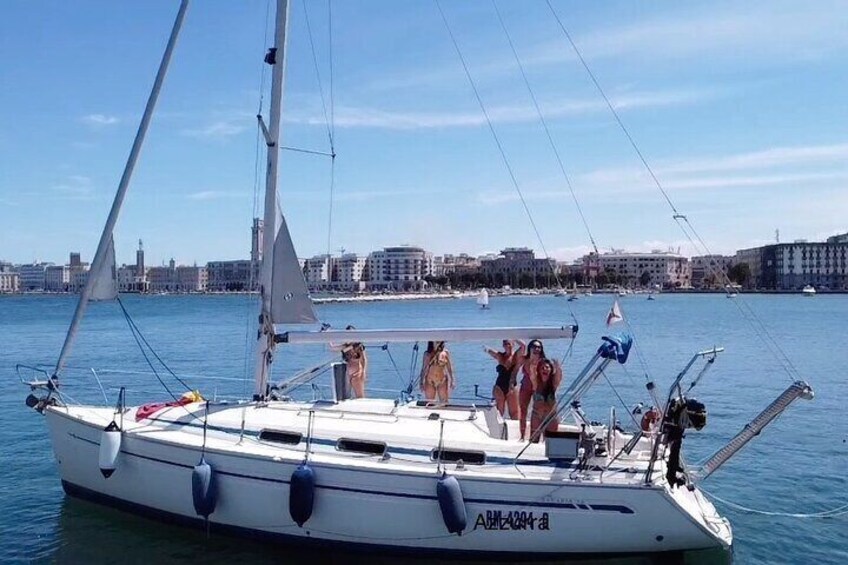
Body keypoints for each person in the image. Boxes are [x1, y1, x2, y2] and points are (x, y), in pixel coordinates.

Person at [512, 339, 546, 440]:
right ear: (530, 348)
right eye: (534, 346)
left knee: (539, 412)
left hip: (538, 388)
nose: (537, 349)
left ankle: (539, 437)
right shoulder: (525, 359)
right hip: (525, 386)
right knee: (523, 411)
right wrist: (512, 381)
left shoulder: (543, 361)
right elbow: (515, 369)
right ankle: (522, 436)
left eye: (539, 347)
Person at [529, 358, 563, 443]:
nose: (545, 369)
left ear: (551, 370)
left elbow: (559, 376)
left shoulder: (553, 384)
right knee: (533, 440)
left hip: (551, 417)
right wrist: (533, 365)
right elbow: (532, 374)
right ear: (539, 371)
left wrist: (558, 367)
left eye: (547, 367)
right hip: (537, 415)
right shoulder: (536, 383)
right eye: (542, 368)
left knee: (551, 442)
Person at [484, 340, 518, 419]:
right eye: (505, 344)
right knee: (499, 412)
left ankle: (516, 430)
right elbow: (488, 350)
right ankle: (498, 429)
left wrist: (516, 337)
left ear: (513, 345)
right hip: (499, 386)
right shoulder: (500, 356)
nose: (507, 346)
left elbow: (523, 347)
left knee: (514, 412)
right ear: (503, 345)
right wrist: (484, 347)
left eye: (509, 344)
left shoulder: (516, 357)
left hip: (512, 386)